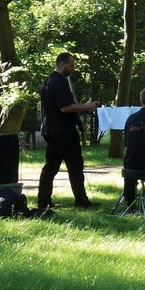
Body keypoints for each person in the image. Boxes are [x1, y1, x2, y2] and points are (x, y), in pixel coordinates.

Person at [36, 52, 100, 211]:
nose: (73, 69)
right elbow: (65, 107)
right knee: (75, 166)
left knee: (51, 166)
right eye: (71, 65)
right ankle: (81, 201)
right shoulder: (58, 82)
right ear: (62, 64)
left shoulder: (49, 81)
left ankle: (43, 201)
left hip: (52, 130)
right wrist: (87, 106)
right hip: (62, 131)